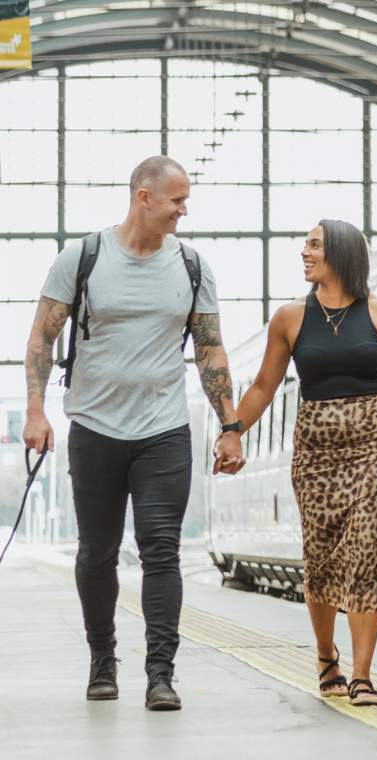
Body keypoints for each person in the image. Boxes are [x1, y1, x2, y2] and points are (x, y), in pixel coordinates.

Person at [24, 155, 246, 711]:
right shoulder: (83, 258)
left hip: (164, 430)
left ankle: (160, 673)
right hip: (95, 428)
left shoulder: (193, 267)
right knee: (97, 552)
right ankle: (103, 660)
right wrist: (35, 410)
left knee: (161, 549)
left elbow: (210, 348)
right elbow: (41, 338)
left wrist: (230, 426)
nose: (183, 210)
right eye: (176, 200)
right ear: (143, 197)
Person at [232, 218, 377, 707]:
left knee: (366, 557)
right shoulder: (290, 318)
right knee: (321, 559)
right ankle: (327, 657)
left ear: (341, 255)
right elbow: (263, 387)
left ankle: (363, 674)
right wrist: (231, 432)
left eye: (314, 245)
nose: (304, 253)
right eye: (304, 244)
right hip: (315, 458)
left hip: (372, 450)